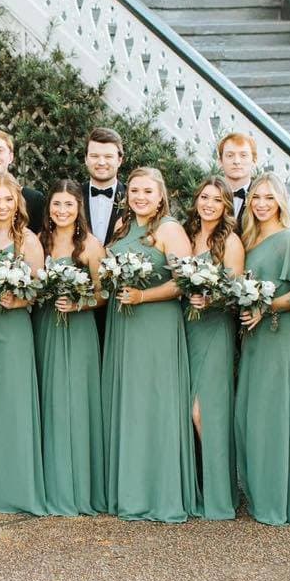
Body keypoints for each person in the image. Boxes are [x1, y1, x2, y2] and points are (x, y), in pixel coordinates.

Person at [101, 167, 198, 522]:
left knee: (154, 403)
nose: (140, 197)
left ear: (161, 196)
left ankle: (158, 493)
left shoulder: (170, 229)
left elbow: (183, 283)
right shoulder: (121, 228)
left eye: (147, 192)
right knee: (130, 403)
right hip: (123, 324)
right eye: (135, 191)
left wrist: (143, 295)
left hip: (155, 324)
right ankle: (128, 489)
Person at [233, 172, 290, 526]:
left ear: (280, 200)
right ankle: (258, 490)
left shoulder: (289, 240)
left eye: (269, 197)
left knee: (277, 415)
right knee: (252, 413)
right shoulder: (249, 239)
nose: (262, 203)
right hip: (255, 337)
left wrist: (268, 307)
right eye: (256, 197)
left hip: (281, 336)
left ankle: (281, 498)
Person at [0, 174, 47, 515]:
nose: (1, 206)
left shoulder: (27, 240)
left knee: (15, 406)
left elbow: (40, 287)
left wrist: (20, 301)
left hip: (14, 330)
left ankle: (17, 488)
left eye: (7, 200)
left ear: (18, 203)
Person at [34, 179, 105, 516]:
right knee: (50, 399)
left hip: (78, 332)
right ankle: (51, 482)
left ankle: (80, 486)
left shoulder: (91, 245)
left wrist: (79, 303)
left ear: (79, 209)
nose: (61, 211)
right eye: (56, 204)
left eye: (68, 205)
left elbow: (103, 294)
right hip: (46, 328)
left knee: (77, 401)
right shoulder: (38, 241)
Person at [181, 176, 244, 521]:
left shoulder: (229, 241)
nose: (208, 204)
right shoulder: (186, 236)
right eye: (204, 197)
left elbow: (234, 291)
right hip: (184, 329)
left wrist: (209, 297)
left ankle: (219, 493)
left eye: (217, 200)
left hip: (214, 329)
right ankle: (195, 488)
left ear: (225, 207)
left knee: (205, 412)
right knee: (184, 412)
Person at [83, 127, 126, 243]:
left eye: (108, 156)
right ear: (86, 159)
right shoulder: (73, 196)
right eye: (94, 156)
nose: (101, 162)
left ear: (119, 160)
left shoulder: (133, 199)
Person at [217, 133, 258, 226]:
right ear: (220, 162)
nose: (236, 161)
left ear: (254, 161)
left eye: (243, 155)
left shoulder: (262, 198)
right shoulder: (208, 197)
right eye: (230, 155)